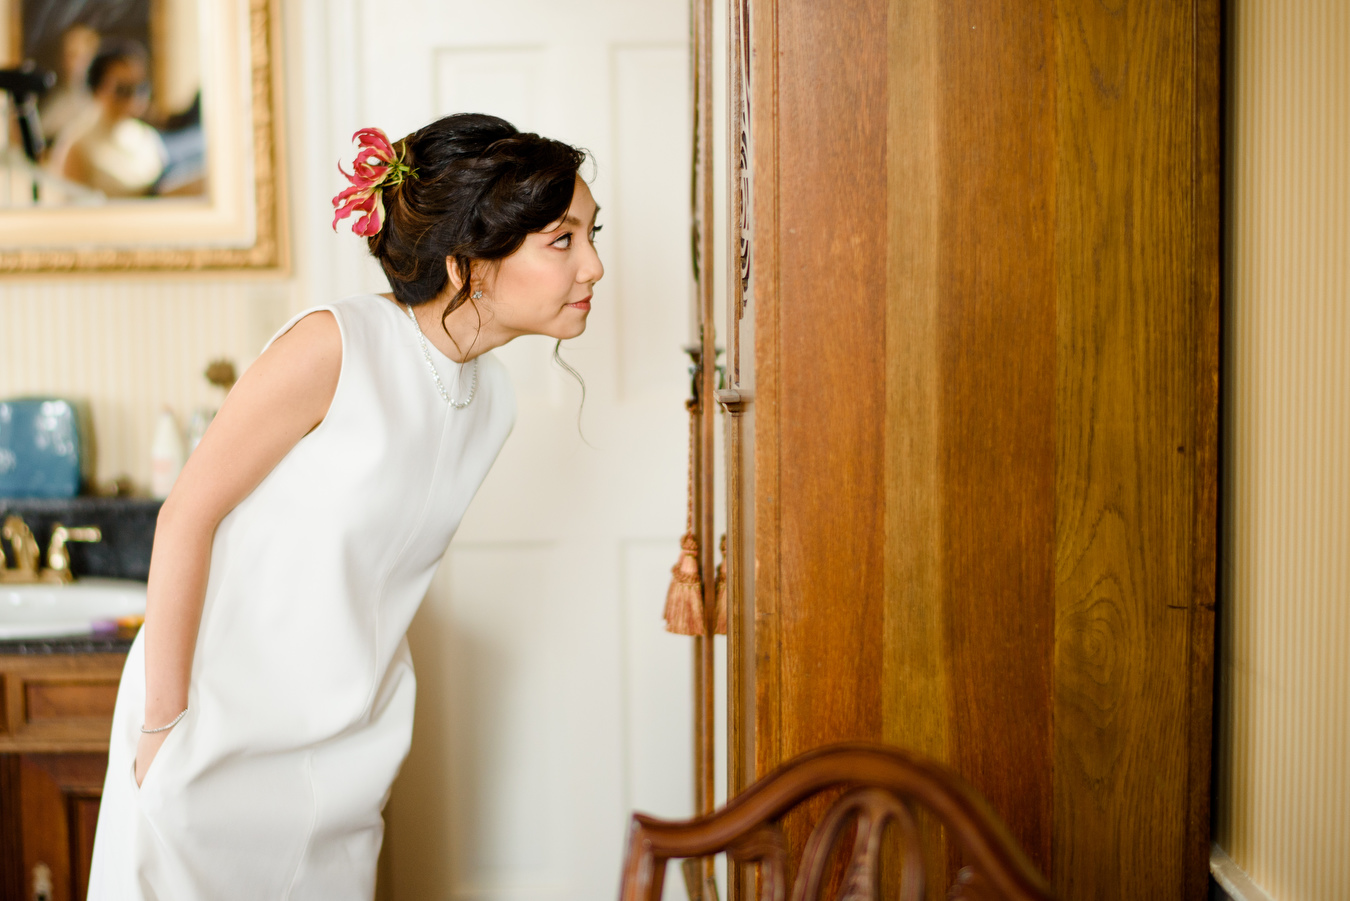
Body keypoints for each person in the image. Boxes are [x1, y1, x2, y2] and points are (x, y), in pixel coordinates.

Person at [88, 113, 603, 899]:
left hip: (343, 755)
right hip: (213, 729)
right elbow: (186, 515)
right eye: (563, 240)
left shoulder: (491, 400)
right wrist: (164, 729)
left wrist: (369, 732)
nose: (594, 266)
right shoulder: (336, 344)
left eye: (592, 235)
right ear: (469, 261)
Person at [54, 39, 167, 197]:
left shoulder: (147, 136)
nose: (133, 98)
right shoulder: (77, 145)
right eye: (122, 89)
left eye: (139, 88)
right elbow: (74, 209)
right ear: (98, 88)